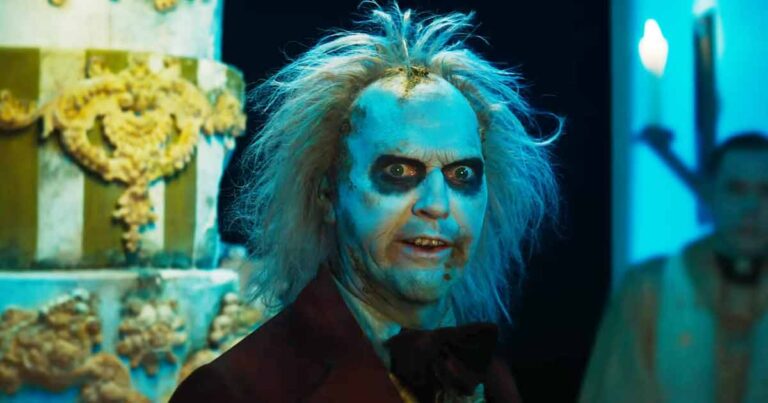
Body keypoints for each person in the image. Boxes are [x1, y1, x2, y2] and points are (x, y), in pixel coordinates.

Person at [172, 4, 559, 402]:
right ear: (327, 193)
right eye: (398, 172)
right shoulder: (233, 391)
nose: (437, 205)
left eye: (461, 174)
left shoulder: (490, 378)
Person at [580, 133, 768, 403]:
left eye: (765, 191)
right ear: (710, 193)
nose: (751, 208)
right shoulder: (649, 289)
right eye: (736, 189)